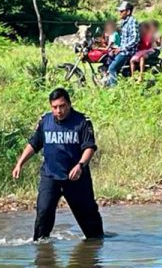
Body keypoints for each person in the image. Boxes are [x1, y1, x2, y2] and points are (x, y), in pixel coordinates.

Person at [12, 87, 104, 241]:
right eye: (55, 107)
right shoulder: (45, 121)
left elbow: (89, 147)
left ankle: (95, 248)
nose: (59, 111)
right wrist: (20, 163)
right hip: (51, 176)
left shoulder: (82, 122)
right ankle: (42, 250)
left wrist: (80, 165)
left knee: (90, 224)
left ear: (69, 104)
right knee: (43, 212)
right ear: (51, 107)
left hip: (76, 178)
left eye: (62, 106)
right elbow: (34, 144)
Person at [105, 1, 140, 86]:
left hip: (127, 51)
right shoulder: (124, 22)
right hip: (123, 50)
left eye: (121, 11)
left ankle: (113, 90)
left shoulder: (132, 22)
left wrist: (121, 48)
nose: (119, 13)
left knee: (112, 68)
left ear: (128, 12)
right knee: (107, 58)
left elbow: (135, 39)